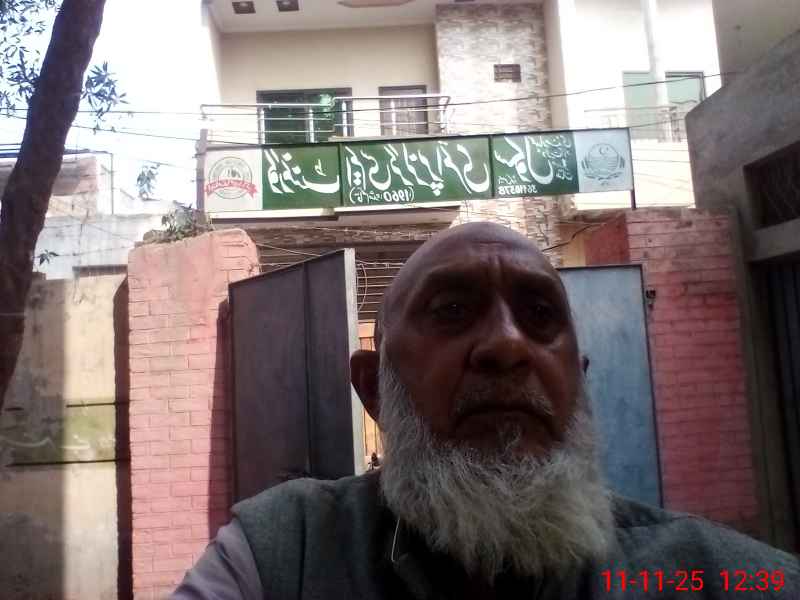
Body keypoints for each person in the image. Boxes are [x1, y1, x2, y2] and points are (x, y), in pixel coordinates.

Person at [173, 222, 798, 599]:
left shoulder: (710, 574)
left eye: (540, 314)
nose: (506, 345)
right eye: (451, 310)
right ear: (374, 390)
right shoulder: (287, 552)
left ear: (577, 382)